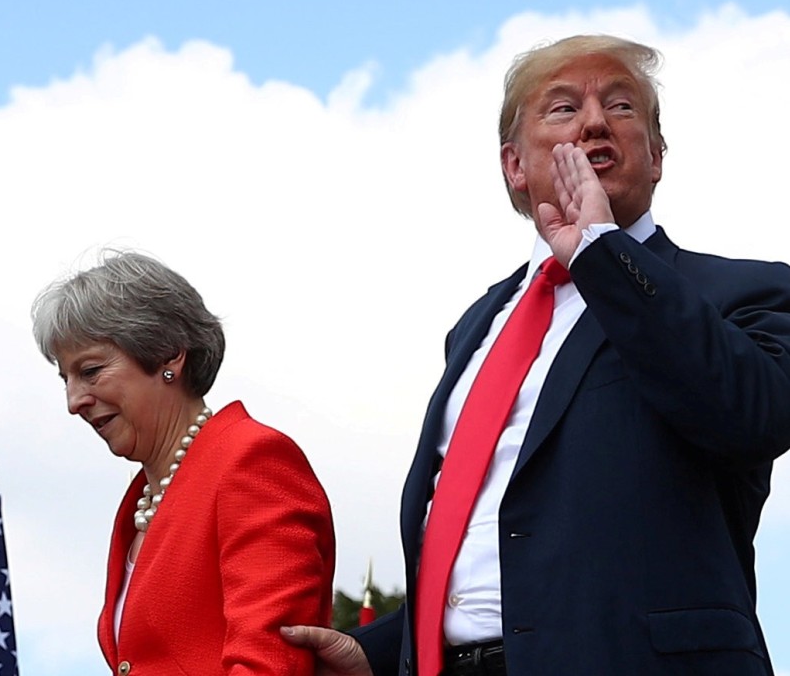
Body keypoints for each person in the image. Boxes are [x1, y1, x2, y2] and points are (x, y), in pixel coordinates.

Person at [282, 34, 790, 675]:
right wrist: (380, 650)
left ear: (657, 156)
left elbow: (752, 417)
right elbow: (487, 531)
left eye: (621, 106)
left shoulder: (746, 291)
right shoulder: (478, 326)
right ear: (514, 166)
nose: (595, 122)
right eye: (563, 108)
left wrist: (602, 252)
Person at [32, 249, 336, 675]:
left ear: (168, 355)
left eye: (91, 371)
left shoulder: (250, 460)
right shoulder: (142, 501)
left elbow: (268, 663)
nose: (74, 401)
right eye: (66, 379)